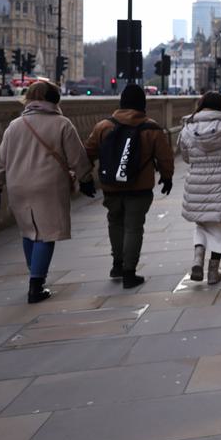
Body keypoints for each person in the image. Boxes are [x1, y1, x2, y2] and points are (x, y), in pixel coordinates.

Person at [0, 80, 96, 303]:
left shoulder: (15, 125)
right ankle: (36, 284)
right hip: (48, 186)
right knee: (46, 233)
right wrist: (85, 179)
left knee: (29, 230)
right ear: (54, 100)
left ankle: (34, 271)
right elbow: (77, 157)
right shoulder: (62, 124)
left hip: (18, 185)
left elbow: (1, 161)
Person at [85, 84, 175, 288]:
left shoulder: (103, 127)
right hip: (139, 187)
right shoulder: (151, 128)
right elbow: (165, 157)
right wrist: (167, 177)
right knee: (134, 228)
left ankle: (117, 264)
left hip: (111, 186)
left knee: (115, 223)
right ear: (142, 103)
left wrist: (85, 178)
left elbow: (87, 153)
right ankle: (129, 272)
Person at [178, 91, 221, 284]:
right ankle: (213, 271)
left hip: (196, 183)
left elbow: (186, 157)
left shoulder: (188, 126)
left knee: (202, 224)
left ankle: (198, 258)